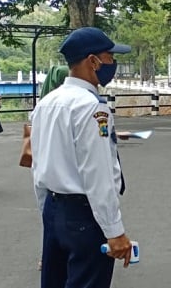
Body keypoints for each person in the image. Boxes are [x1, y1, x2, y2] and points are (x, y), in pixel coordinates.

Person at [30, 27, 133, 288]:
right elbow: (98, 175)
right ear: (93, 61)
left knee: (54, 281)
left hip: (55, 208)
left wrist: (47, 212)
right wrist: (114, 231)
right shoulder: (91, 107)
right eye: (109, 57)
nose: (113, 63)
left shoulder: (47, 103)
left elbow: (38, 165)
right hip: (84, 215)